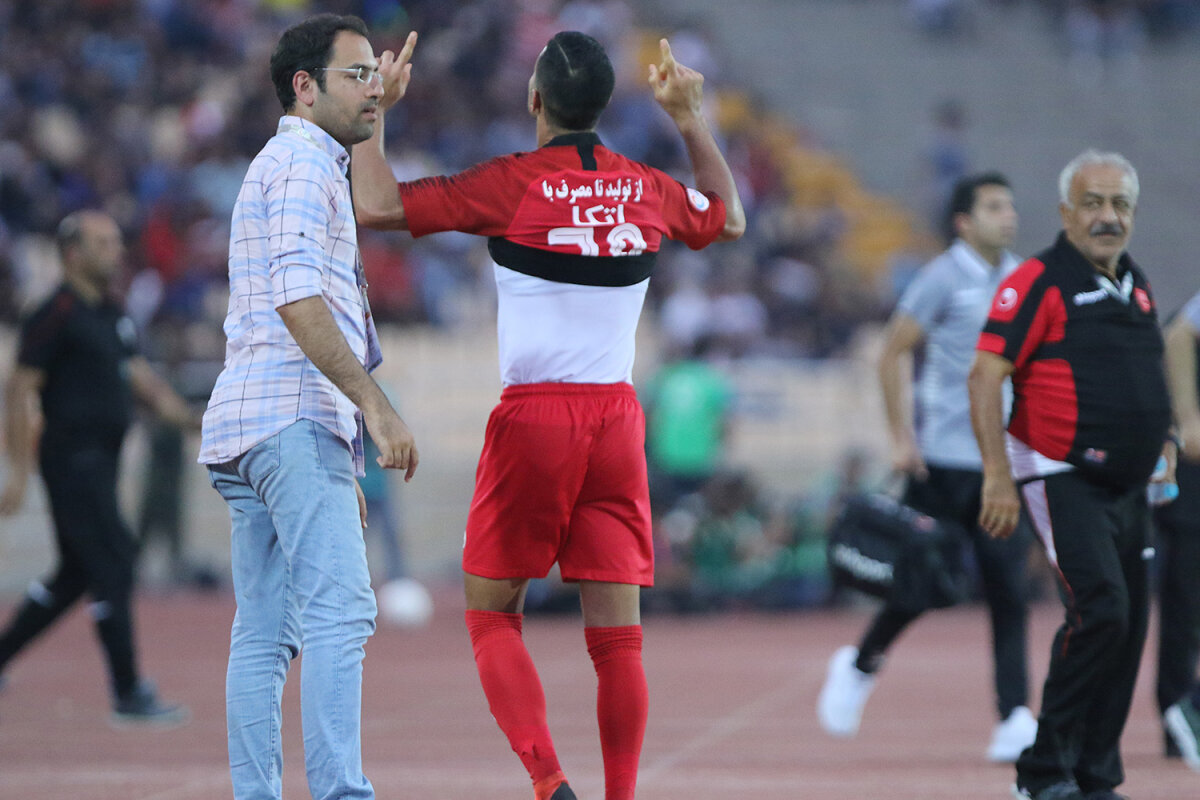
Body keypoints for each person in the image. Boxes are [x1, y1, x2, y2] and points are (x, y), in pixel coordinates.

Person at [352, 30, 745, 800]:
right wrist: (688, 116)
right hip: (617, 420)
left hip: (535, 417)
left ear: (535, 99)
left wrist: (375, 114)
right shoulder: (644, 186)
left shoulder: (511, 183)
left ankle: (549, 781)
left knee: (493, 617)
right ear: (604, 105)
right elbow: (727, 219)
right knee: (618, 641)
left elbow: (376, 204)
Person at [197, 15, 418, 800]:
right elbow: (298, 295)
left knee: (265, 631)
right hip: (292, 415)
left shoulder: (297, 159)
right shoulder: (300, 165)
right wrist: (374, 410)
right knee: (342, 614)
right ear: (304, 86)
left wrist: (377, 108)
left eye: (373, 77)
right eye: (356, 75)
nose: (372, 88)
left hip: (253, 420)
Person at [967, 149, 1175, 800]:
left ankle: (1093, 776)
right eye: (1093, 203)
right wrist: (996, 476)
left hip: (1129, 482)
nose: (1107, 217)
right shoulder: (1038, 280)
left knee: (1128, 627)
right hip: (1060, 472)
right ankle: (1040, 774)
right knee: (1101, 609)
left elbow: (1145, 373)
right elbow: (986, 374)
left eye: (1119, 205)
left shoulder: (1135, 281)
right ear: (1065, 212)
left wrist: (1164, 437)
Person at [817, 172, 1037, 762]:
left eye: (1010, 206)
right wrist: (901, 436)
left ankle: (1014, 715)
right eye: (994, 206)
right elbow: (891, 351)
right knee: (915, 586)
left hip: (1000, 463)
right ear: (964, 221)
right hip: (941, 461)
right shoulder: (942, 277)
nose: (1009, 216)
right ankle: (859, 664)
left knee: (1009, 590)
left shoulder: (1025, 278)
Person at [0, 210, 192, 726]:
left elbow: (139, 376)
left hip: (102, 460)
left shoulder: (112, 312)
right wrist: (16, 472)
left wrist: (192, 420)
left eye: (116, 242)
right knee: (114, 560)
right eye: (103, 243)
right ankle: (127, 692)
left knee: (75, 574)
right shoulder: (54, 313)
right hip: (70, 459)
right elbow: (19, 389)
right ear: (72, 253)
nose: (116, 251)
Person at [1155, 293, 1200, 771]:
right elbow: (1179, 333)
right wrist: (1188, 418)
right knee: (1186, 600)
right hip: (1193, 472)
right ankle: (1178, 711)